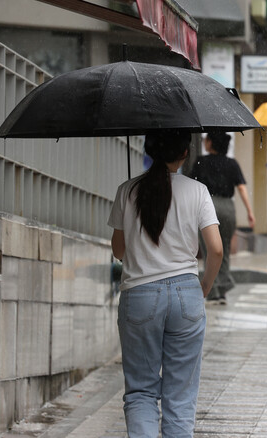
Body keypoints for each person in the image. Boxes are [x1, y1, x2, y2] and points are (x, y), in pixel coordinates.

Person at [108, 129, 223, 437]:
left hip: (139, 296)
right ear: (185, 153)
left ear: (149, 149)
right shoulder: (197, 191)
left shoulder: (128, 190)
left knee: (141, 391)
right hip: (186, 294)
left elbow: (118, 251)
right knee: (180, 394)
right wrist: (205, 287)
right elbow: (216, 249)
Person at [190, 132, 255, 304]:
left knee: (209, 249)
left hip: (207, 205)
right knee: (224, 248)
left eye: (206, 140)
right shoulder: (232, 164)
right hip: (227, 207)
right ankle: (223, 290)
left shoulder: (200, 162)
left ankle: (211, 291)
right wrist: (249, 211)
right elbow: (241, 188)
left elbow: (190, 187)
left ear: (211, 143)